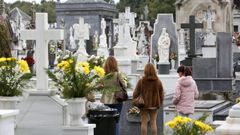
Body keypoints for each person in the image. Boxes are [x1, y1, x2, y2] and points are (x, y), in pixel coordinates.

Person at [133, 63, 164, 135]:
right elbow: (161, 94)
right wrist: (160, 102)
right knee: (153, 122)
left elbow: (136, 93)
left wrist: (136, 100)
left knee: (144, 122)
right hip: (154, 105)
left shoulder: (141, 81)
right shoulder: (158, 81)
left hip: (143, 105)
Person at [100, 56, 126, 135]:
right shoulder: (117, 75)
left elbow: (100, 85)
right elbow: (124, 85)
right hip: (117, 99)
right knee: (116, 120)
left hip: (106, 100)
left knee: (108, 120)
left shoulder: (103, 75)